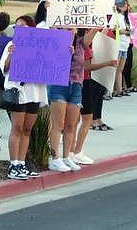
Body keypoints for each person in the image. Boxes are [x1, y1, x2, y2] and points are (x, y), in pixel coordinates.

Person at [0, 15, 45, 180]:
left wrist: (65, 51)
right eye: (16, 26)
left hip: (35, 92)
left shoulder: (40, 46)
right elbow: (4, 67)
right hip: (19, 92)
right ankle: (13, 164)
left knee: (27, 130)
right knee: (17, 128)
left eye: (22, 26)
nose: (18, 29)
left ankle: (21, 162)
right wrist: (11, 55)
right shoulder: (11, 45)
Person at [48, 28, 98, 172]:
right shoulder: (56, 42)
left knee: (71, 125)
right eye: (67, 28)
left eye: (73, 28)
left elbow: (93, 32)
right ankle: (55, 158)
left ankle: (66, 156)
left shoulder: (81, 43)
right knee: (59, 124)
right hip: (59, 85)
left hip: (76, 85)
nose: (71, 30)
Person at [73, 29, 117, 165]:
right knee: (84, 119)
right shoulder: (82, 45)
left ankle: (73, 151)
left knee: (77, 119)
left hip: (82, 82)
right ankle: (76, 151)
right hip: (83, 82)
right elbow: (87, 67)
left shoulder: (81, 44)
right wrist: (107, 63)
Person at [113, 2, 132, 98]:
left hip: (125, 44)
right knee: (115, 68)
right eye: (123, 4)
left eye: (126, 4)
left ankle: (119, 90)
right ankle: (112, 90)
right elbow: (115, 30)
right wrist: (124, 31)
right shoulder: (115, 16)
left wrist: (128, 31)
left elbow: (130, 30)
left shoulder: (126, 18)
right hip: (118, 44)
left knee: (120, 69)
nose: (125, 6)